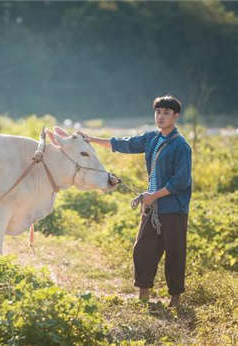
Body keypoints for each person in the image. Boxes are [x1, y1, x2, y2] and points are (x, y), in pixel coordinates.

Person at [78, 95, 192, 307]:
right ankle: (144, 296)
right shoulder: (152, 138)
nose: (161, 116)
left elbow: (181, 181)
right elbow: (125, 144)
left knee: (175, 253)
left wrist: (154, 195)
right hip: (151, 206)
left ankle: (175, 298)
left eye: (166, 113)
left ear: (176, 116)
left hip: (174, 209)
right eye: (158, 112)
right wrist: (91, 140)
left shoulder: (181, 146)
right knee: (143, 249)